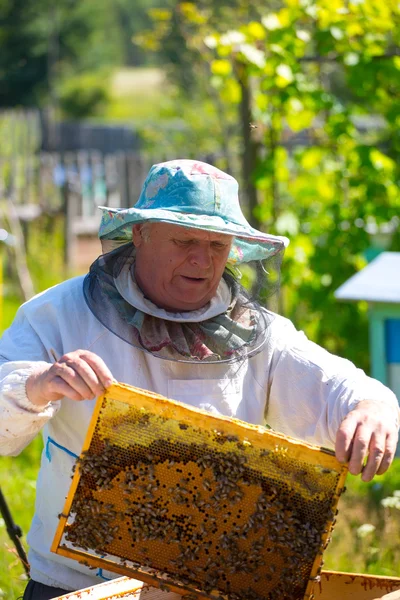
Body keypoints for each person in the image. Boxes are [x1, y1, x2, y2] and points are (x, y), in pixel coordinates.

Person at [0, 159, 398, 600]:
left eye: (217, 244)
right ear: (139, 233)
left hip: (209, 589)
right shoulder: (57, 314)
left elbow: (342, 387)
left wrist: (373, 408)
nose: (201, 260)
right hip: (74, 586)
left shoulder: (260, 334)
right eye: (185, 239)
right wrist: (38, 385)